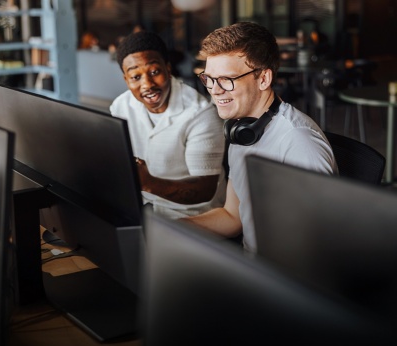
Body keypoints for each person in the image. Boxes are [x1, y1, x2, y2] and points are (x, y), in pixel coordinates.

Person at [184, 21, 338, 253]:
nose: (215, 90)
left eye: (227, 79)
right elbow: (232, 217)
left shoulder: (299, 143)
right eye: (209, 79)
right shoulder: (242, 130)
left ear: (264, 79)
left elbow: (321, 246)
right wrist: (170, 227)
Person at [110, 31, 227, 219]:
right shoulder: (120, 106)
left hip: (193, 216)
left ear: (168, 68)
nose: (147, 84)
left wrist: (148, 183)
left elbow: (205, 189)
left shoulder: (201, 114)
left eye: (154, 72)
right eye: (135, 77)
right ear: (126, 79)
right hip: (143, 207)